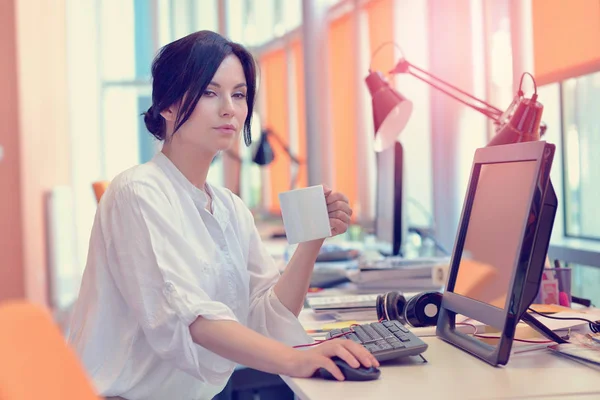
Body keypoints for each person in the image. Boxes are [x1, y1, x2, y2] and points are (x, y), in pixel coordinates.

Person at [67, 30, 378, 400]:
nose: (229, 108)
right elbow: (190, 319)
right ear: (167, 105)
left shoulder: (230, 207)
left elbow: (268, 319)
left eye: (239, 94)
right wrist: (298, 360)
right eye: (210, 92)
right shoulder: (137, 192)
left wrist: (312, 240)